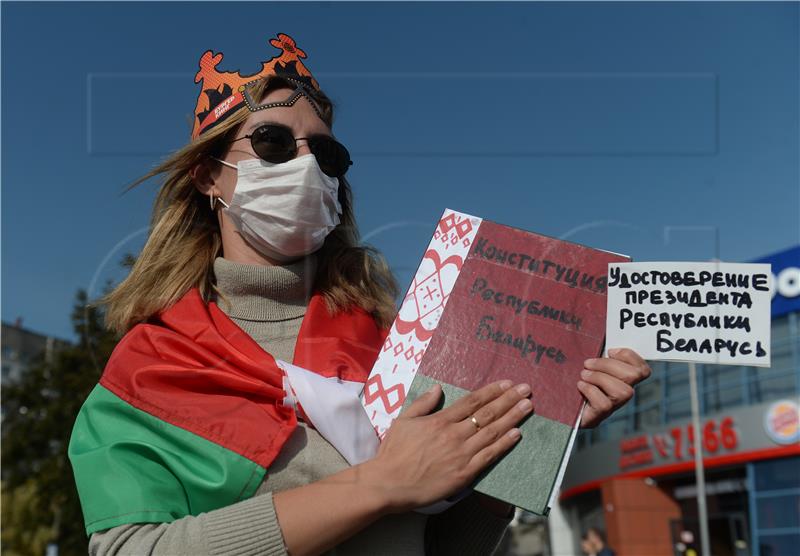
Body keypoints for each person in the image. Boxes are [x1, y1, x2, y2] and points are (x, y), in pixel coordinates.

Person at [68, 33, 652, 556]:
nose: (306, 165)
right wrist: (376, 485)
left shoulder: (404, 343)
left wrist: (530, 437)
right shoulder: (150, 365)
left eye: (327, 154)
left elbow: (437, 545)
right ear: (207, 175)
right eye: (273, 142)